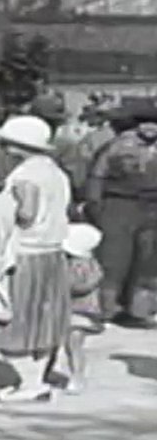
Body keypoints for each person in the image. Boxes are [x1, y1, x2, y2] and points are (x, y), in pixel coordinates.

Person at [0, 116, 72, 402]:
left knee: (11, 318)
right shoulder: (54, 172)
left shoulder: (25, 177)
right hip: (51, 253)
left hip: (25, 254)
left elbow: (27, 214)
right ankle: (37, 377)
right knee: (42, 318)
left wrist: (0, 203)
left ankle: (29, 381)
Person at [83, 102, 157, 324]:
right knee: (114, 259)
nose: (150, 127)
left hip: (153, 208)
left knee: (147, 261)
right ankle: (105, 309)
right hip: (118, 205)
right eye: (145, 123)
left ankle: (138, 311)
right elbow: (97, 176)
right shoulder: (116, 146)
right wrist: (94, 205)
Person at [60, 222, 104, 395]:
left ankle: (77, 377)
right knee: (73, 345)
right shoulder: (92, 262)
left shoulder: (77, 265)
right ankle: (76, 375)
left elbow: (78, 286)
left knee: (73, 345)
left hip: (78, 311)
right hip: (84, 311)